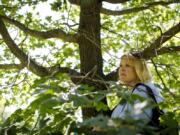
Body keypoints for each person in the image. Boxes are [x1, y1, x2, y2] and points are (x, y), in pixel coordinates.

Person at [111, 53, 164, 126]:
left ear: (138, 69)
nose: (122, 69)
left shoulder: (142, 90)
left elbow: (131, 124)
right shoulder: (129, 94)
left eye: (127, 66)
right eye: (120, 66)